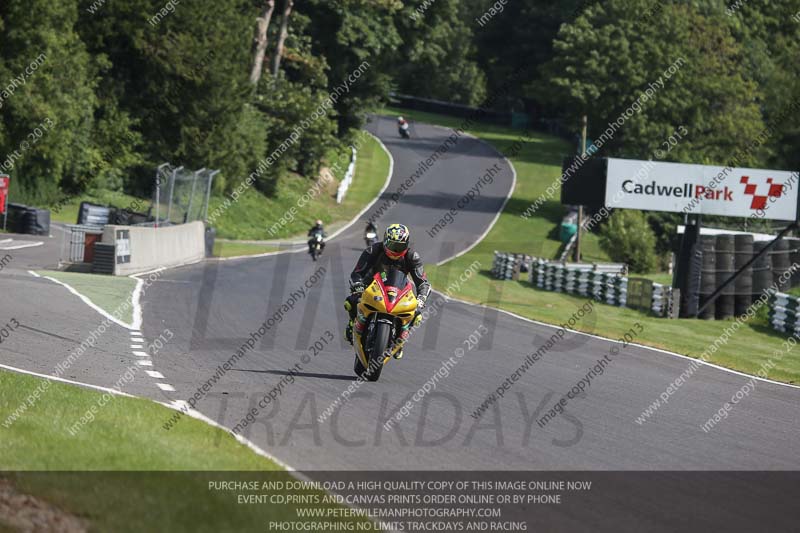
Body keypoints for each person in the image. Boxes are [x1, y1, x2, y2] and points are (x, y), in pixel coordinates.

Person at [344, 223, 431, 359]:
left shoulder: (412, 256)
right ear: (385, 241)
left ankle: (400, 340)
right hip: (371, 284)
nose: (395, 250)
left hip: (398, 289)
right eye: (392, 246)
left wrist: (422, 298)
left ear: (406, 244)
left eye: (400, 246)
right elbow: (357, 273)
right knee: (352, 301)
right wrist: (358, 285)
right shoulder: (373, 250)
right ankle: (352, 324)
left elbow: (423, 282)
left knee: (416, 314)